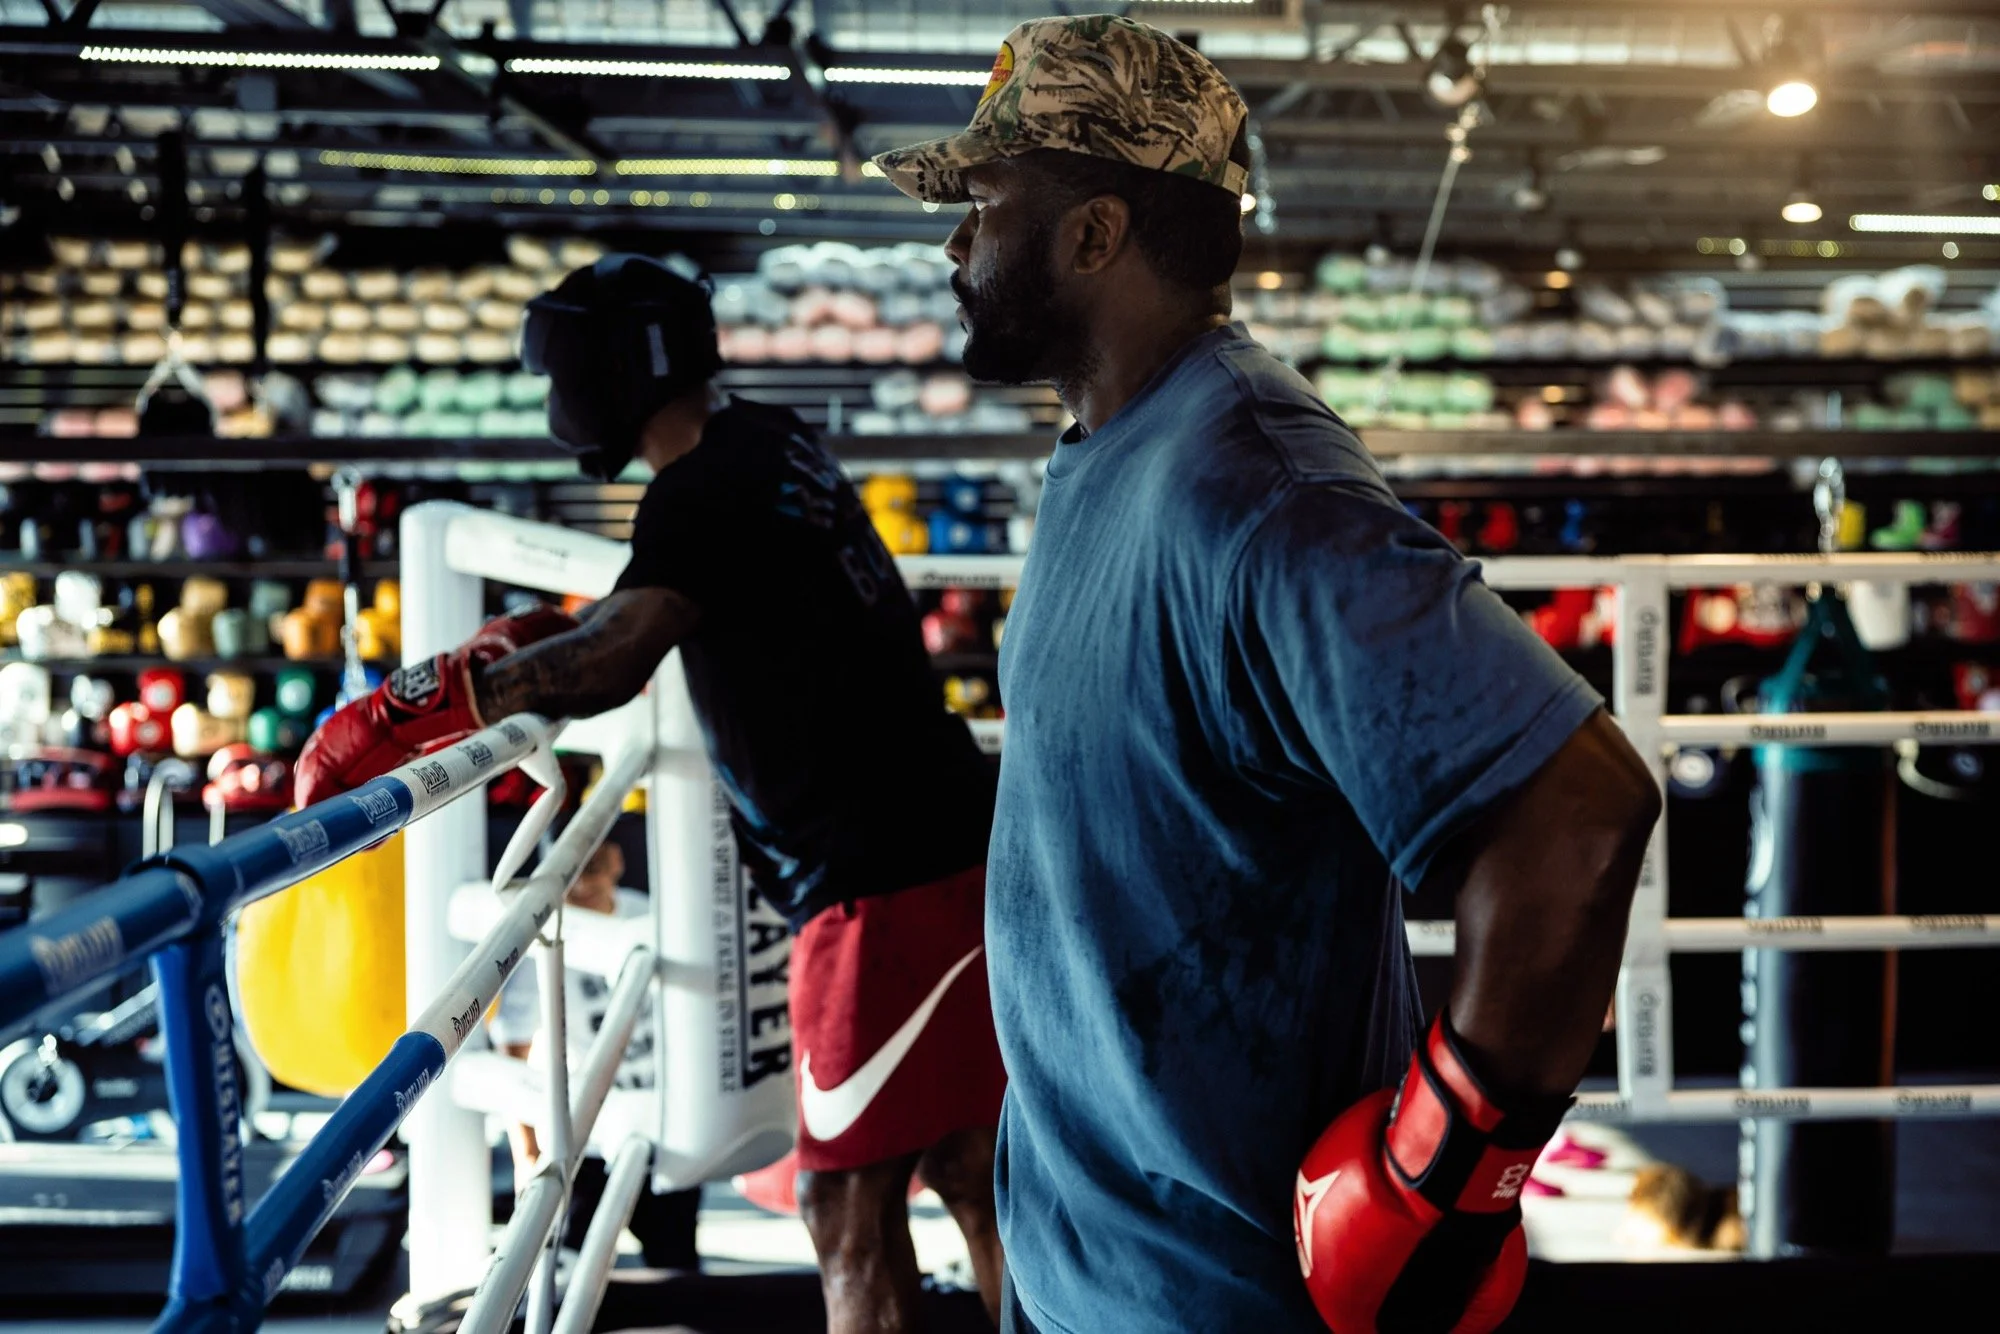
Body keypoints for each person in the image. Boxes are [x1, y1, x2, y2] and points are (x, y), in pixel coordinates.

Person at [873, 15, 1660, 1334]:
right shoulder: (1105, 451)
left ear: (1095, 233)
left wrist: (1434, 1186)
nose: (957, 245)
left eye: (984, 204)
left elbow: (1577, 813)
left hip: (1219, 1292)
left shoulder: (1257, 479)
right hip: (1089, 1268)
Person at [293, 255, 1009, 1331]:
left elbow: (615, 656)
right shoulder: (763, 438)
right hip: (941, 833)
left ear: (619, 368)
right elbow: (670, 600)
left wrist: (426, 701)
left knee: (844, 1208)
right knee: (963, 1160)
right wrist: (536, 641)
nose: (556, 399)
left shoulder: (698, 490)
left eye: (566, 370)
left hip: (879, 885)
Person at [489, 839, 701, 1270]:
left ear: (618, 862)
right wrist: (526, 1153)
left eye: (595, 868)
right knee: (562, 1272)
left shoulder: (649, 917)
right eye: (571, 873)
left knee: (676, 1266)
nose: (582, 884)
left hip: (662, 1127)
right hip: (586, 1134)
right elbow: (514, 1047)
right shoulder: (543, 938)